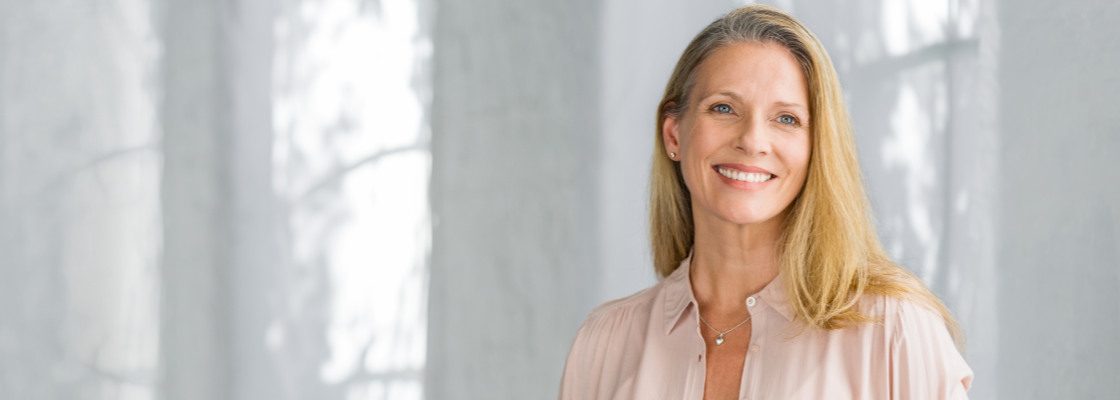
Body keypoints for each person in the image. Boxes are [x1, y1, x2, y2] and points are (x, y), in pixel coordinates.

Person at [558, 4, 973, 399]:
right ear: (673, 135)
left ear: (817, 148)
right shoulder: (605, 343)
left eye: (786, 119)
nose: (753, 141)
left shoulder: (895, 329)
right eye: (723, 108)